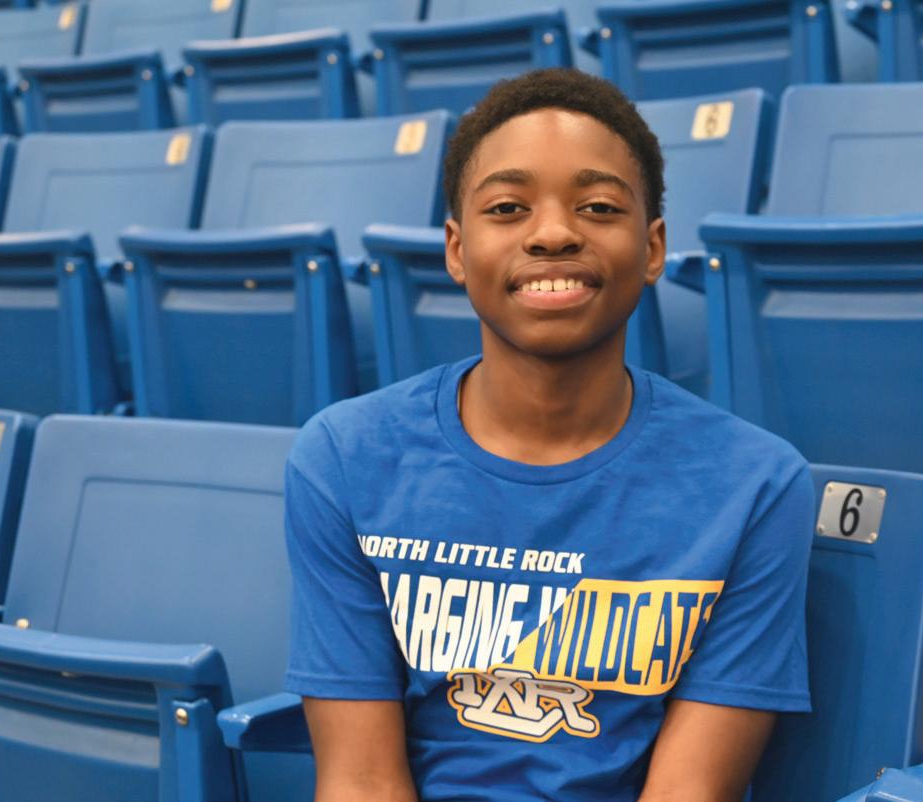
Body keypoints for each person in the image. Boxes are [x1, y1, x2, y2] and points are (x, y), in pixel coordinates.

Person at [284, 68, 814, 802]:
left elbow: (689, 791)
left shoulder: (756, 485)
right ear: (456, 249)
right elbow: (362, 780)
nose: (554, 233)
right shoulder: (343, 457)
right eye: (507, 208)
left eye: (598, 207)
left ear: (652, 248)